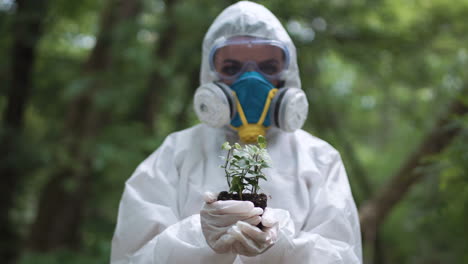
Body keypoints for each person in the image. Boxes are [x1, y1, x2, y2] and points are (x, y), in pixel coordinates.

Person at [110, 1, 362, 263]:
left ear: (286, 74)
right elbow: (133, 256)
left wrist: (280, 244)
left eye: (268, 67)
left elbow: (342, 255)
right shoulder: (176, 153)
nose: (251, 80)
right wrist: (200, 236)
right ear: (211, 77)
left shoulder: (320, 159)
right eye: (231, 68)